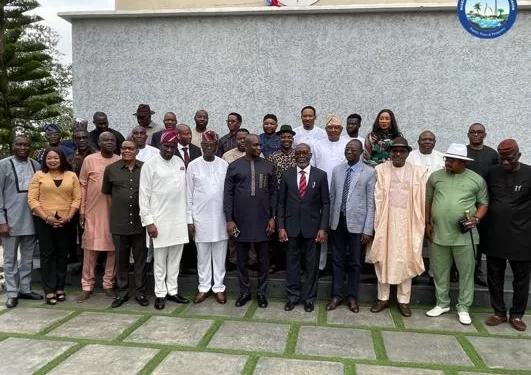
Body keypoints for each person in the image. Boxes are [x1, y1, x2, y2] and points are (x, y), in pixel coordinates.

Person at [425, 143, 488, 325]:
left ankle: (463, 307)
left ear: (463, 162)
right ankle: (442, 303)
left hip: (464, 236)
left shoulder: (476, 180)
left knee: (466, 272)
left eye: (452, 160)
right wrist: (427, 222)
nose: (448, 163)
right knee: (439, 271)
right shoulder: (435, 177)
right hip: (438, 233)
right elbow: (428, 200)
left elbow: (484, 203)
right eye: (447, 159)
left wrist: (476, 219)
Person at [366, 137, 427, 317]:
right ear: (390, 153)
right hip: (386, 223)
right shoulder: (381, 170)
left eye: (402, 151)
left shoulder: (418, 172)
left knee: (406, 260)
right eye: (395, 151)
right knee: (383, 259)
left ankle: (403, 300)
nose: (398, 154)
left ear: (408, 153)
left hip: (408, 224)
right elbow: (376, 198)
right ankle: (382, 298)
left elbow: (422, 200)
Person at [224, 134, 277, 308]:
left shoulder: (268, 166)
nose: (258, 148)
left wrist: (273, 217)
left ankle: (262, 293)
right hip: (240, 221)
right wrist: (229, 219)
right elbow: (228, 194)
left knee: (263, 261)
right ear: (245, 146)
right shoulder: (234, 166)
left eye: (259, 145)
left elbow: (273, 194)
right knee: (242, 260)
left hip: (263, 221)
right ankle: (244, 292)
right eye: (254, 145)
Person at [139, 130, 190, 310]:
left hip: (178, 220)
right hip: (159, 221)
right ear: (160, 146)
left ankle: (172, 291)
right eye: (166, 146)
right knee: (160, 261)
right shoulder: (150, 165)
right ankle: (160, 293)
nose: (169, 150)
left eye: (172, 147)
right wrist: (149, 222)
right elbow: (143, 197)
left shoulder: (179, 163)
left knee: (175, 259)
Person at [484, 139, 530, 331]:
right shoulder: (492, 173)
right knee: (494, 275)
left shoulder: (530, 173)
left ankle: (517, 315)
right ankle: (499, 312)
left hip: (522, 236)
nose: (504, 163)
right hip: (495, 234)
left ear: (518, 156)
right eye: (502, 159)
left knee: (521, 278)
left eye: (509, 159)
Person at [278, 143, 329, 313]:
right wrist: (281, 226)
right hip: (291, 228)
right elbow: (281, 203)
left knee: (311, 266)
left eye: (304, 153)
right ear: (294, 155)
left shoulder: (320, 175)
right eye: (298, 152)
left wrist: (323, 228)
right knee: (291, 264)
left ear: (310, 155)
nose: (301, 155)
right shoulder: (287, 175)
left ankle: (309, 298)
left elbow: (325, 203)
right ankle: (292, 297)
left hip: (313, 228)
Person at [327, 139, 375, 313]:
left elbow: (371, 203)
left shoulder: (369, 173)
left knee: (355, 263)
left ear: (361, 152)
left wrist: (368, 229)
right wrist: (328, 223)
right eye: (347, 149)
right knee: (337, 260)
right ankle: (336, 295)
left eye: (353, 149)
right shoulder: (337, 170)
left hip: (357, 225)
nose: (349, 151)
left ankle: (352, 298)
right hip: (337, 222)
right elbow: (332, 198)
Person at [28, 147, 81, 305]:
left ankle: (60, 287)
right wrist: (46, 218)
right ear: (45, 160)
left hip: (66, 221)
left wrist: (69, 217)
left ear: (62, 159)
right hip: (44, 221)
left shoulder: (71, 175)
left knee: (62, 254)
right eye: (49, 158)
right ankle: (49, 290)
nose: (52, 161)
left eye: (55, 158)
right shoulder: (39, 175)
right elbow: (32, 199)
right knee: (47, 255)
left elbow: (77, 199)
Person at [102, 140, 148, 308]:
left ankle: (141, 292)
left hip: (140, 223)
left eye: (131, 148)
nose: (127, 151)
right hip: (119, 222)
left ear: (137, 151)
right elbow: (107, 195)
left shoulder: (145, 168)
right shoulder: (111, 169)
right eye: (124, 148)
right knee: (121, 260)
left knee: (140, 261)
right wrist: (112, 216)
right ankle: (121, 293)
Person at [186, 131, 229, 304]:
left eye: (212, 145)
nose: (209, 148)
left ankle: (218, 287)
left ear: (217, 146)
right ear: (202, 147)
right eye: (205, 146)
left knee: (220, 255)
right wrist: (189, 219)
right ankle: (203, 287)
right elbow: (188, 194)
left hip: (220, 217)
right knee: (202, 256)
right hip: (200, 218)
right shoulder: (193, 166)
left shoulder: (224, 165)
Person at [77, 132, 120, 303]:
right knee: (90, 250)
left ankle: (108, 283)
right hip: (93, 212)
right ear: (99, 143)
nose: (109, 143)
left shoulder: (119, 160)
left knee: (113, 250)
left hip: (114, 213)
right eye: (105, 140)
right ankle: (87, 286)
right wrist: (82, 209)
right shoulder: (89, 160)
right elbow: (83, 184)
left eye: (112, 140)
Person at [0, 136, 42, 308]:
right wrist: (1, 221)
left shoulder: (36, 165)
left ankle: (25, 288)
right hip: (10, 221)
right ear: (12, 146)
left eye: (26, 145)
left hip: (31, 219)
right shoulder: (3, 165)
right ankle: (11, 292)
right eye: (19, 144)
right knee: (10, 259)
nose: (23, 147)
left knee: (27, 258)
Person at [310, 114, 349, 274]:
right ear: (325, 129)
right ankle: (320, 266)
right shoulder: (317, 144)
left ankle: (340, 267)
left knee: (341, 230)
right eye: (330, 128)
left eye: (336, 128)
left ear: (341, 130)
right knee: (322, 228)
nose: (333, 130)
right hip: (321, 192)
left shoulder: (347, 144)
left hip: (343, 193)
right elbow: (313, 167)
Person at [406, 130, 445, 284]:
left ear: (435, 142)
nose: (427, 142)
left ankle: (433, 273)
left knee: (433, 240)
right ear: (418, 141)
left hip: (435, 204)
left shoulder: (442, 157)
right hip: (414, 204)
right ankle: (412, 271)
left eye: (430, 139)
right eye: (424, 139)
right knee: (414, 240)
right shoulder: (410, 157)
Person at [465, 122, 500, 287]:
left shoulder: (492, 155)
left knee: (479, 239)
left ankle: (477, 270)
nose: (476, 134)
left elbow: (498, 178)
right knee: (461, 236)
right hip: (464, 201)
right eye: (473, 132)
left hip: (484, 203)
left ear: (485, 135)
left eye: (479, 132)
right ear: (468, 134)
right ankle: (455, 271)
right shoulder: (462, 153)